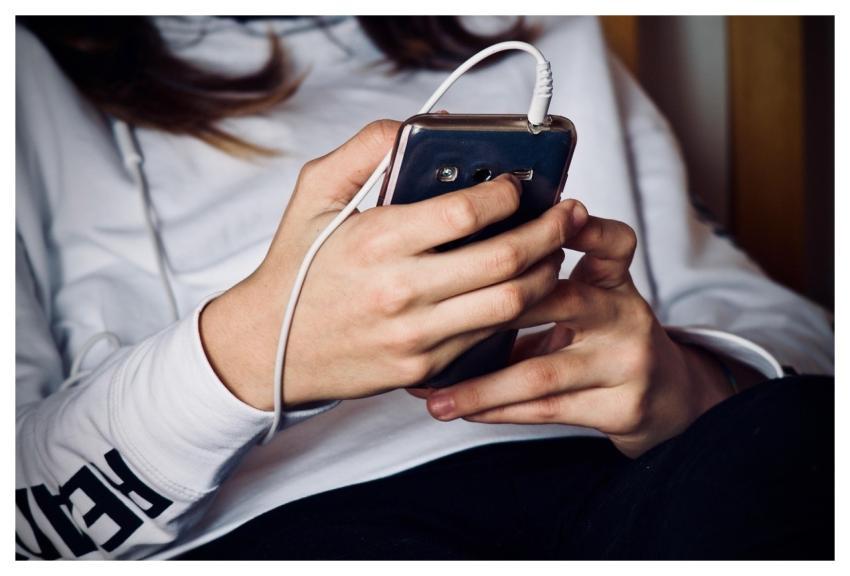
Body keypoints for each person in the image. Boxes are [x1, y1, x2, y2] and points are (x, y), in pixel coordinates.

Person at [15, 16, 834, 560]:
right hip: (296, 528)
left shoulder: (534, 27)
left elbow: (792, 336)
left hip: (628, 478)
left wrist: (692, 381)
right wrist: (247, 352)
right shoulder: (26, 71)